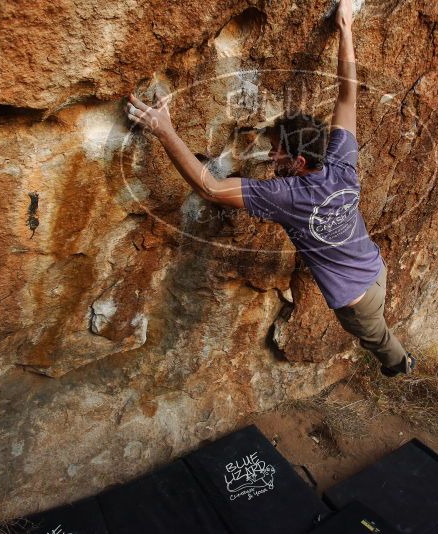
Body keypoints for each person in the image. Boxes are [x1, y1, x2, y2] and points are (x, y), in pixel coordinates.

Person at [124, 0, 415, 377]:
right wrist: (345, 29)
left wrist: (164, 130)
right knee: (378, 322)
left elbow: (210, 187)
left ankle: (399, 366)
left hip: (357, 303)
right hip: (375, 271)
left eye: (277, 150)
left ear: (297, 162)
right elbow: (348, 94)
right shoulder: (341, 159)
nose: (270, 154)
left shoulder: (287, 197)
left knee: (379, 342)